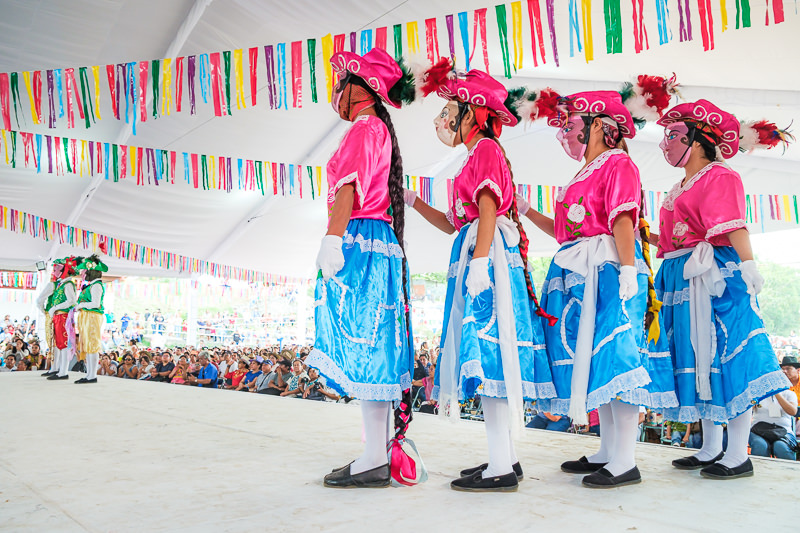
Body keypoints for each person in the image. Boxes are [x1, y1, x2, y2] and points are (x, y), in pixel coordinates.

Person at [519, 81, 681, 488]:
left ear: (598, 126)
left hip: (610, 269)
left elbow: (622, 219)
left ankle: (625, 459)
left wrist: (628, 270)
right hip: (580, 269)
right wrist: (526, 211)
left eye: (576, 122)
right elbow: (564, 230)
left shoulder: (617, 164)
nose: (568, 130)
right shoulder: (584, 171)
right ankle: (608, 450)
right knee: (594, 362)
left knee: (616, 358)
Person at [407, 62, 557, 492]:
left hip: (486, 258)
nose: (445, 119)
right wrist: (414, 201)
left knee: (489, 350)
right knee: (487, 350)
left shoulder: (486, 150)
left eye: (451, 109)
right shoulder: (475, 155)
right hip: (476, 251)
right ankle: (503, 458)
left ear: (471, 111)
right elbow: (454, 222)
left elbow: (488, 207)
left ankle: (501, 465)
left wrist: (480, 261)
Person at [652, 100, 793, 479]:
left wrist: (749, 266)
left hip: (716, 275)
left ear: (697, 140)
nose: (666, 143)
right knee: (701, 359)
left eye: (674, 135)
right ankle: (711, 446)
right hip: (683, 274)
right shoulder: (680, 184)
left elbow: (732, 224)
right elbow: (676, 238)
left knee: (727, 354)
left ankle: (738, 452)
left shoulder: (720, 175)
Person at [304, 47, 417, 489]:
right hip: (378, 244)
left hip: (360, 242)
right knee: (375, 348)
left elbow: (348, 189)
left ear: (361, 89)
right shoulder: (378, 131)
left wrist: (332, 238)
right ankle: (375, 453)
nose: (336, 91)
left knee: (367, 348)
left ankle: (374, 457)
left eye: (342, 81)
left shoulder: (365, 128)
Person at [46, 256, 82, 381]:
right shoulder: (62, 284)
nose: (55, 271)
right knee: (60, 344)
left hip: (63, 316)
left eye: (58, 268)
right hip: (58, 315)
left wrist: (55, 307)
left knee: (64, 344)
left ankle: (63, 371)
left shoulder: (68, 284)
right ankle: (61, 370)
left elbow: (71, 301)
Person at [73, 255, 107, 384]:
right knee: (87, 345)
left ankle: (92, 375)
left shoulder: (96, 286)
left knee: (92, 344)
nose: (82, 273)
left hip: (92, 316)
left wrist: (80, 305)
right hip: (88, 316)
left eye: (84, 271)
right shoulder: (91, 285)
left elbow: (95, 303)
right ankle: (89, 374)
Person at [749, 391, 798, 460]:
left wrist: (776, 393)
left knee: (781, 447)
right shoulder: (758, 393)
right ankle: (761, 470)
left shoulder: (789, 393)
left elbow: (793, 411)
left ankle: (789, 470)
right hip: (758, 430)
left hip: (784, 431)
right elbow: (747, 409)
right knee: (760, 445)